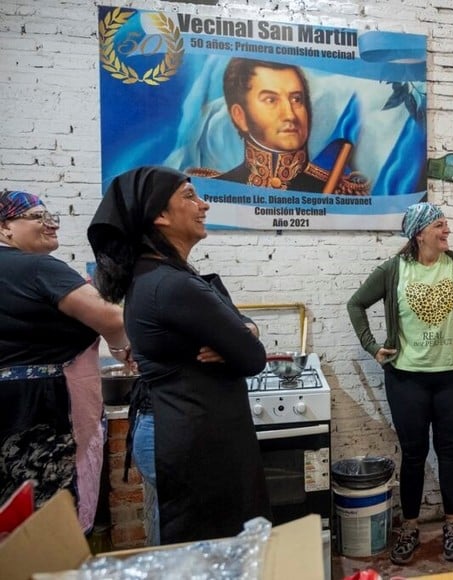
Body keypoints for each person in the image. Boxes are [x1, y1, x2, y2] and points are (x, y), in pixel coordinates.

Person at [87, 166, 271, 544]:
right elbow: (253, 358)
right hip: (188, 435)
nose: (204, 205)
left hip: (179, 427)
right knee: (196, 547)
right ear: (160, 215)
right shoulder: (173, 285)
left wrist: (243, 333)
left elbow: (242, 334)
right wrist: (242, 339)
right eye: (189, 196)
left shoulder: (154, 275)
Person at [346, 202, 453, 565]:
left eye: (446, 224)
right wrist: (372, 346)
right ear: (420, 233)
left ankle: (452, 525)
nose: (447, 230)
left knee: (450, 451)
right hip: (406, 378)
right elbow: (356, 304)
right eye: (439, 225)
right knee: (413, 454)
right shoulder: (394, 270)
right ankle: (409, 527)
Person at [0, 189, 131, 532]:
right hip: (42, 409)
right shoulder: (38, 267)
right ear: (4, 228)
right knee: (49, 522)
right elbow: (112, 318)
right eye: (37, 217)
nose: (51, 224)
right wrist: (122, 348)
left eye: (51, 216)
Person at [190, 58, 369, 195]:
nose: (290, 114)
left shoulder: (343, 190)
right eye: (271, 100)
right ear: (240, 116)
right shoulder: (213, 190)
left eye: (296, 99)